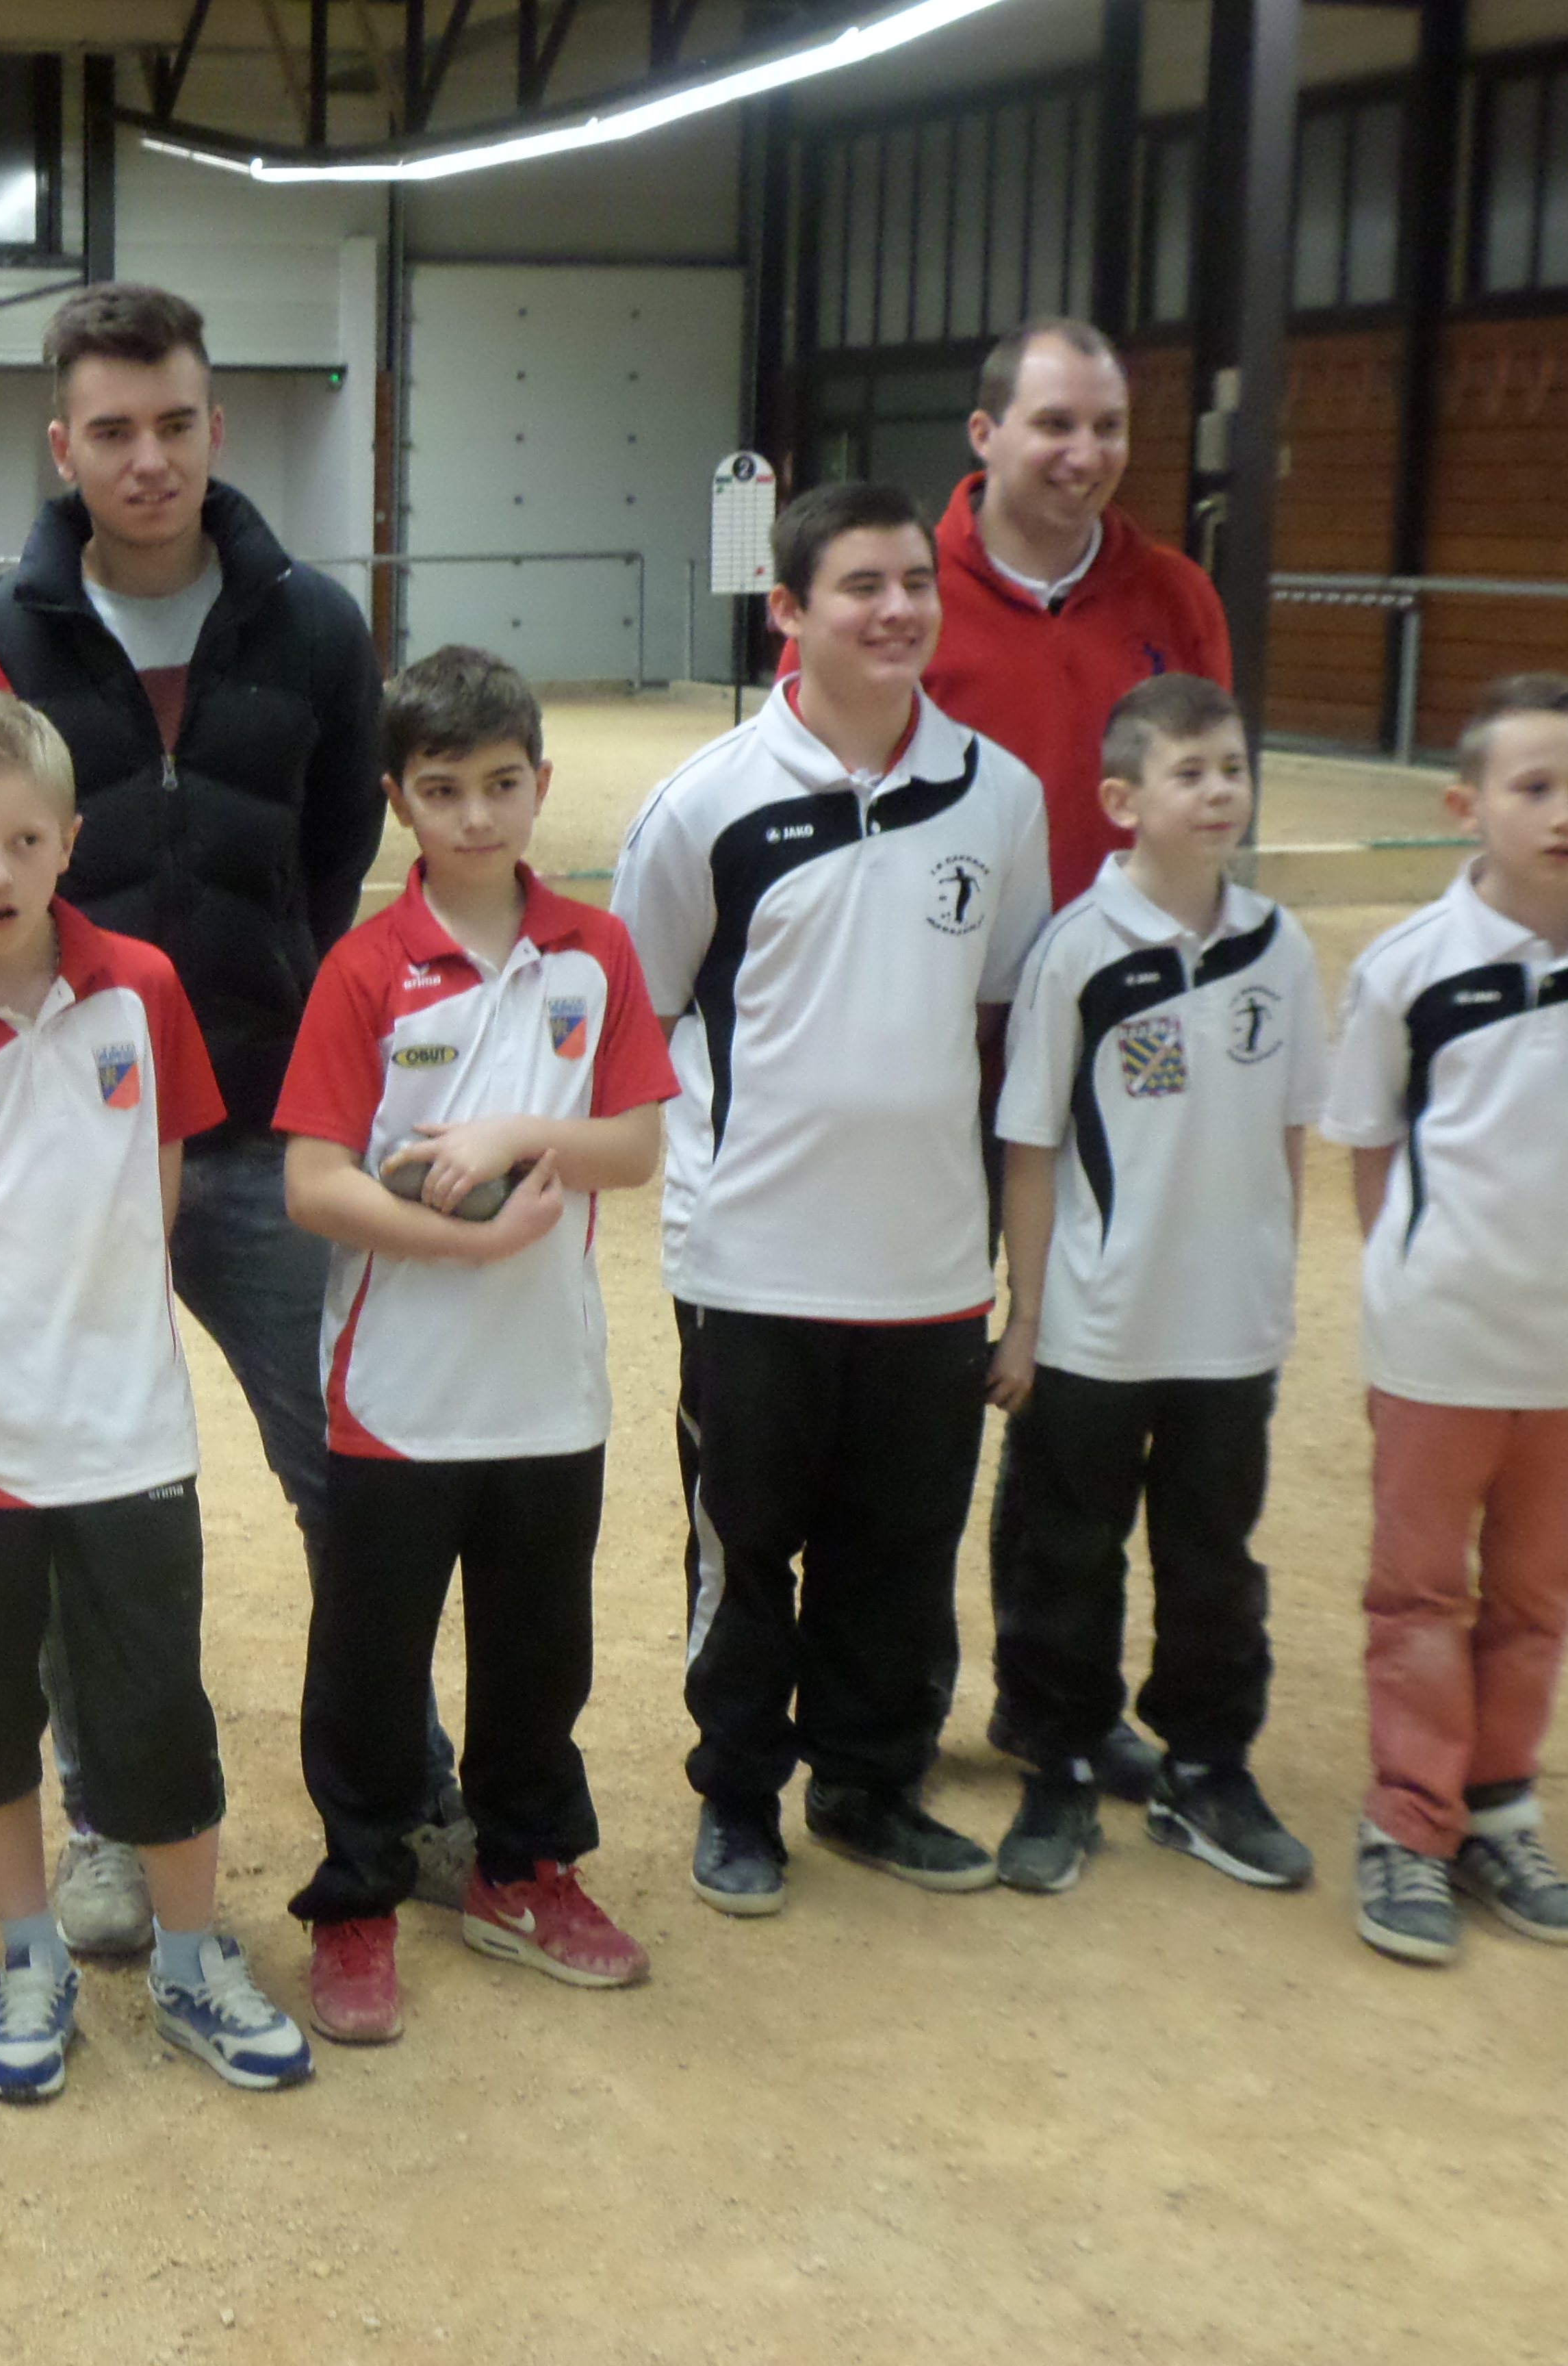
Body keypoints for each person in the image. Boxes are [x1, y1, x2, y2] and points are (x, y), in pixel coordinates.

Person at [0, 282, 446, 1958]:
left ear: (216, 426)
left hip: (255, 1141)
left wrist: (261, 1011)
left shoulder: (312, 625)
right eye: (112, 429)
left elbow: (325, 858)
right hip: (61, 1160)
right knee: (75, 1494)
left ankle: (401, 1790)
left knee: (351, 1479)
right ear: (61, 444)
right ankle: (103, 1817)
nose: (147, 457)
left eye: (174, 422)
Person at [0, 689, 315, 2100]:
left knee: (154, 1701)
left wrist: (101, 1321)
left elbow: (159, 1178)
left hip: (129, 1431)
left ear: (68, 846)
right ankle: (31, 1950)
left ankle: (185, 1959)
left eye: (25, 842)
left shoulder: (144, 992)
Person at [615, 481, 1049, 1917]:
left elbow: (1004, 1019)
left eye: (915, 580)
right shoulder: (706, 806)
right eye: (862, 585)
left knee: (901, 1548)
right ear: (790, 610)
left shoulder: (1001, 797)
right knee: (745, 1551)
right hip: (750, 1260)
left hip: (928, 1262)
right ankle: (738, 1795)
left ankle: (870, 1781)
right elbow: (642, 1011)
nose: (899, 609)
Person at [277, 647, 675, 2044]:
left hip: (548, 1395)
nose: (478, 817)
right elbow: (314, 1183)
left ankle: (521, 1871)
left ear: (541, 784)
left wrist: (519, 1137)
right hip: (397, 1399)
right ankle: (361, 1896)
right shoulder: (368, 971)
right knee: (371, 1667)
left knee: (536, 1660)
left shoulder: (599, 953)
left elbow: (633, 1141)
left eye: (503, 785)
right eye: (443, 791)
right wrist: (468, 1242)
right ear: (399, 801)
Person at [1318, 673, 1568, 1967]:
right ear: (1467, 805)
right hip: (1440, 1342)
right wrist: (1422, 1277)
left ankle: (1498, 1807)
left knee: (1538, 1594)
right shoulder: (1408, 968)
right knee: (1421, 1593)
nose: (1566, 812)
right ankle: (1410, 1822)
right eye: (1535, 788)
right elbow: (1368, 1148)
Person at [934, 316, 1235, 1801]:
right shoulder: (903, 594)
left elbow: (1208, 790)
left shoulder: (1174, 594)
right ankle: (891, 1693)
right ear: (986, 435)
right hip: (936, 1059)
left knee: (1077, 1380)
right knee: (941, 1378)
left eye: (1107, 427)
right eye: (1056, 423)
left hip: (1118, 1078)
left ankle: (1054, 1697)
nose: (1086, 454)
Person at [984, 674, 1325, 1897]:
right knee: (1068, 1558)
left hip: (1227, 1330)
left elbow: (1289, 1135)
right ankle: (1061, 1763)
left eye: (1233, 767)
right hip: (1094, 1323)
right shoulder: (1079, 951)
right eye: (1193, 772)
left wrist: (1271, 1281)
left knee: (1214, 1556)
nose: (1221, 790)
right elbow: (1030, 1147)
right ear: (1124, 800)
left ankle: (1208, 1769)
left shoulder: (1279, 949)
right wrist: (1027, 1314)